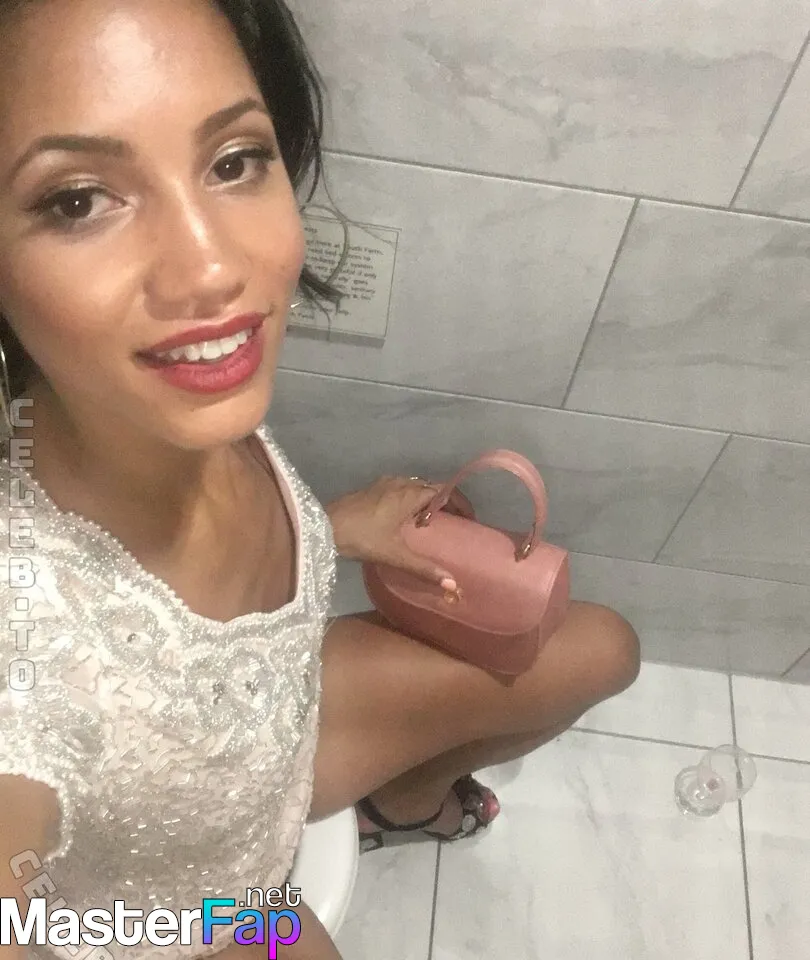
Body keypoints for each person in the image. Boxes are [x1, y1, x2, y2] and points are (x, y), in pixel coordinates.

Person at [0, 0, 641, 957]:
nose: (212, 268)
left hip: (270, 724)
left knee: (601, 650)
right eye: (77, 200)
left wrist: (332, 525)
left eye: (232, 161)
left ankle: (405, 805)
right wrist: (218, 923)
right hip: (191, 897)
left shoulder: (155, 393)